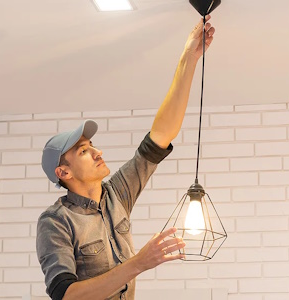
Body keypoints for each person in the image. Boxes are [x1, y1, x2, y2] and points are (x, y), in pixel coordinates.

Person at [36, 16, 216, 300]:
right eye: (83, 151)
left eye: (92, 145)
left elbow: (160, 135)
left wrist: (188, 59)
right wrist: (139, 262)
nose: (98, 152)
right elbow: (66, 295)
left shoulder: (116, 194)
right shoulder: (56, 221)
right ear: (64, 173)